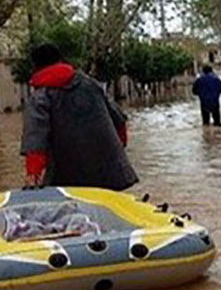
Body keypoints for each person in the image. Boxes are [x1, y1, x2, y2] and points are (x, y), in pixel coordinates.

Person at [21, 42, 138, 191]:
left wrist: (32, 178)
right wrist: (119, 151)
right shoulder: (91, 84)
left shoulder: (40, 97)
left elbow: (35, 142)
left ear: (35, 67)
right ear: (61, 60)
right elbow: (119, 121)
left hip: (69, 180)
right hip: (112, 173)